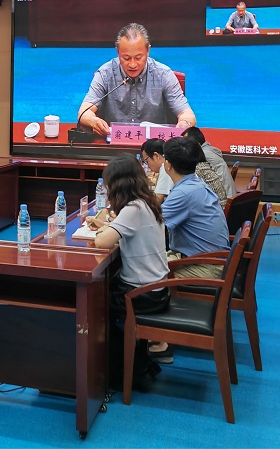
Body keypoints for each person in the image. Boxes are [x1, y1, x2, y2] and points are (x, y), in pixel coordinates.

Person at [93, 155, 169, 391]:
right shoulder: (147, 202)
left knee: (94, 304)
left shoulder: (133, 209)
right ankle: (136, 364)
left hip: (142, 293)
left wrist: (104, 230)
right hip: (157, 287)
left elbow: (101, 242)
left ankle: (118, 371)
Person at [77, 23, 196, 137]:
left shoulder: (164, 74)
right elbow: (84, 112)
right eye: (126, 58)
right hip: (115, 144)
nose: (132, 64)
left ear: (148, 50)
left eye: (138, 57)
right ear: (117, 51)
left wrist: (184, 123)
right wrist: (93, 121)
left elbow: (187, 114)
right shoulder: (105, 74)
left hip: (154, 146)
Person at [161, 137, 230, 278]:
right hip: (211, 260)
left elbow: (150, 223)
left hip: (205, 267)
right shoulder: (196, 183)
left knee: (143, 274)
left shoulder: (184, 193)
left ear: (167, 165)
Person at [183, 126, 237, 198]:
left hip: (223, 199)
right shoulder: (209, 150)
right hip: (226, 195)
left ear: (196, 143)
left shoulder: (204, 154)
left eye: (186, 143)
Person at [141, 138, 173, 205]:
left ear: (156, 155)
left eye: (147, 161)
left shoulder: (165, 168)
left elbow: (157, 201)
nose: (148, 165)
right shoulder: (170, 164)